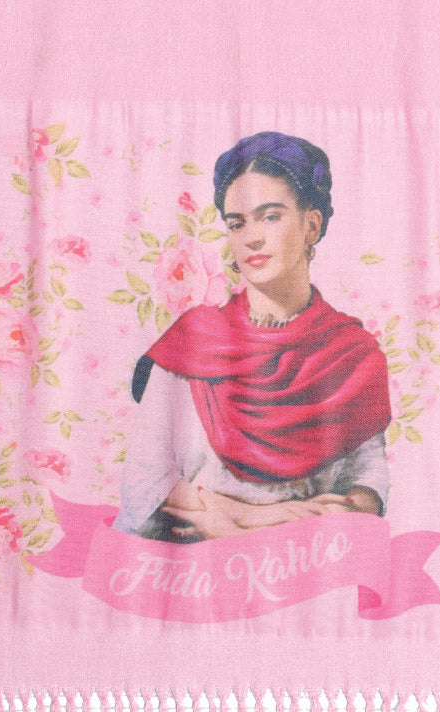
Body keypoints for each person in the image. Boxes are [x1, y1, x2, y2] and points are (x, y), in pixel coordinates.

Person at [112, 131, 391, 543]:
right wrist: (259, 517)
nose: (251, 238)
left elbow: (367, 483)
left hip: (304, 567)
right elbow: (143, 488)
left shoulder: (352, 353)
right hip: (188, 567)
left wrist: (342, 510)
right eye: (237, 223)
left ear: (311, 225)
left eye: (270, 216)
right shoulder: (193, 341)